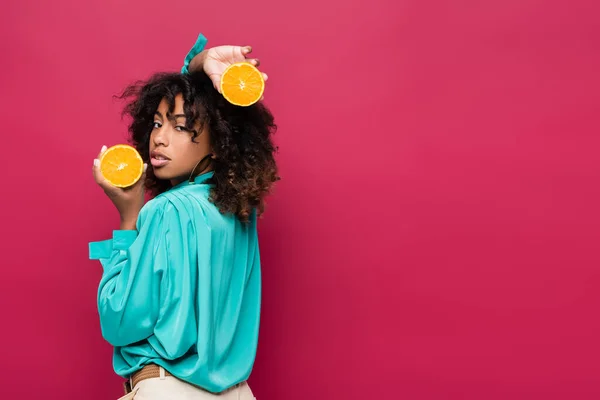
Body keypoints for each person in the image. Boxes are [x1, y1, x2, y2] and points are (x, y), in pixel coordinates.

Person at [88, 33, 277, 400]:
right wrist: (201, 63)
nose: (159, 139)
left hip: (168, 389)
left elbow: (119, 320)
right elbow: (198, 102)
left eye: (179, 127)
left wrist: (129, 218)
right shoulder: (238, 209)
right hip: (237, 392)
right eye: (157, 123)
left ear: (220, 140)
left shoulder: (166, 209)